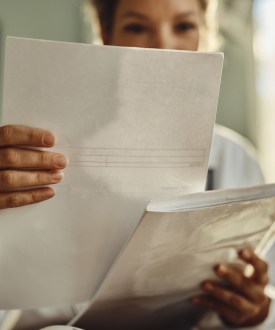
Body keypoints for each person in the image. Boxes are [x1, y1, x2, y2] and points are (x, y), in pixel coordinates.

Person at [0, 0, 272, 329]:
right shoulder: (31, 153)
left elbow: (264, 286)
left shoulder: (236, 159)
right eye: (137, 27)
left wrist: (255, 312)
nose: (164, 47)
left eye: (184, 26)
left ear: (207, 34)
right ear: (105, 34)